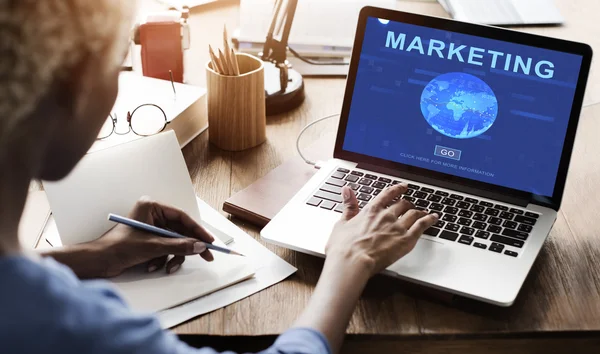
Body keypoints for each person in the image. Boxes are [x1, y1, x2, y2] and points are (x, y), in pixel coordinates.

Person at [0, 1, 438, 353]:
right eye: (118, 66)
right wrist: (348, 262)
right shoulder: (74, 327)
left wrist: (93, 255)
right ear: (71, 89)